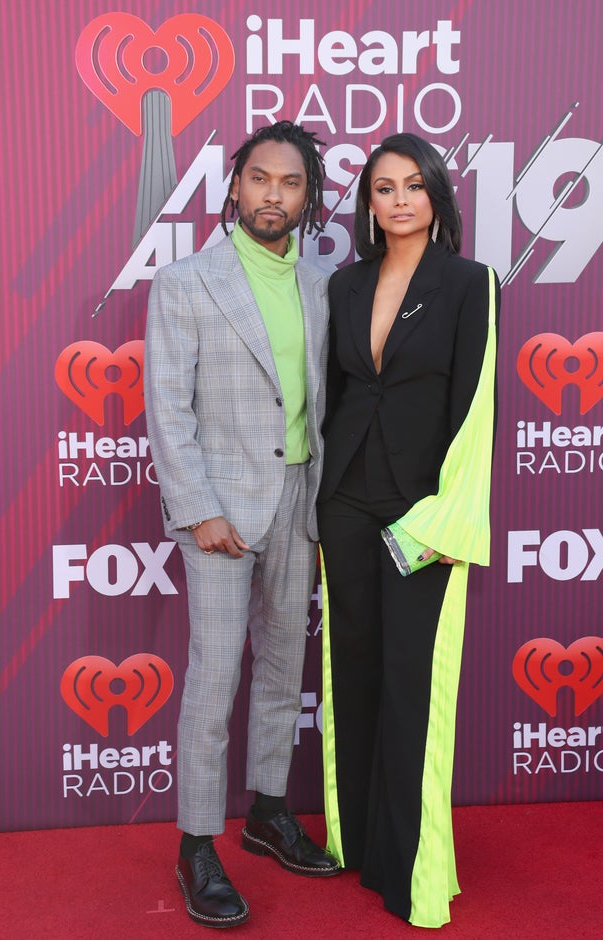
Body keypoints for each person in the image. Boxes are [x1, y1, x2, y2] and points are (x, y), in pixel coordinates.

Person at [144, 121, 340, 930]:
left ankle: (266, 811)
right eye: (259, 179)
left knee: (283, 669)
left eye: (289, 184)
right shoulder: (187, 281)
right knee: (214, 678)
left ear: (307, 197)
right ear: (235, 187)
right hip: (220, 508)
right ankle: (196, 843)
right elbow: (167, 406)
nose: (272, 195)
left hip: (303, 499)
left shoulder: (327, 283)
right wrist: (199, 509)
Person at [317, 133, 499, 928]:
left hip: (424, 509)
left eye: (412, 185)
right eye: (383, 187)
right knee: (352, 670)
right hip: (346, 500)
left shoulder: (470, 284)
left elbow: (478, 406)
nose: (398, 200)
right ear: (368, 203)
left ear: (437, 196)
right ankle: (356, 841)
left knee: (412, 685)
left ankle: (412, 869)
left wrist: (446, 515)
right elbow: (334, 396)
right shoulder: (345, 285)